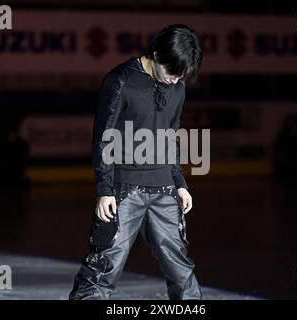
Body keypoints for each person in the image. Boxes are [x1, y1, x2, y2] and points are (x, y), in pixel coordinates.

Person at [69, 24, 203, 300]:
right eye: (172, 72)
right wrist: (104, 190)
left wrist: (179, 182)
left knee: (181, 269)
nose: (175, 80)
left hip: (164, 189)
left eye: (182, 75)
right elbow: (103, 138)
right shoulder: (120, 80)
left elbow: (171, 136)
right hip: (123, 190)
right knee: (104, 267)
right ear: (156, 54)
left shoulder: (177, 86)